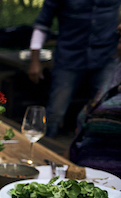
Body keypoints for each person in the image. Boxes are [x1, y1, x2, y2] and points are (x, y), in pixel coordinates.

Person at [27, 0, 121, 137]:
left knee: (105, 109)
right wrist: (34, 60)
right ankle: (41, 149)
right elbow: (42, 24)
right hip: (69, 58)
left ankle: (95, 151)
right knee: (55, 111)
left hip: (105, 58)